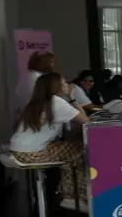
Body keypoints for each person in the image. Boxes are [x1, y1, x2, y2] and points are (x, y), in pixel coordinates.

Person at [9, 71, 86, 203]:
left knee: (71, 149)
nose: (68, 85)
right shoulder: (57, 103)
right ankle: (72, 195)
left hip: (18, 151)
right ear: (57, 87)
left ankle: (68, 191)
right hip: (32, 154)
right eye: (64, 83)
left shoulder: (36, 102)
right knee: (83, 151)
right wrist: (73, 98)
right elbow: (86, 121)